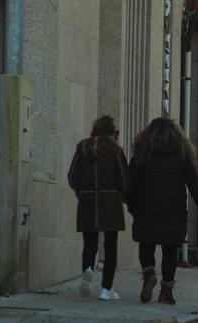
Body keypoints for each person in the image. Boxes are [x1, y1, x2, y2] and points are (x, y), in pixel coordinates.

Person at [126, 117, 198, 305]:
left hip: (145, 208)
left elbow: (129, 183)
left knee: (146, 245)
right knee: (170, 251)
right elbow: (194, 183)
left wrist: (132, 205)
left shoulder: (142, 152)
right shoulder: (182, 153)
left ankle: (149, 272)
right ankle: (166, 292)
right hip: (174, 211)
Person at [66, 115, 130, 301]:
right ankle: (106, 289)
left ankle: (87, 269)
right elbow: (125, 180)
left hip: (87, 201)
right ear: (112, 132)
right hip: (110, 201)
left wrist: (81, 192)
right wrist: (125, 198)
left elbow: (72, 176)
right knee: (110, 246)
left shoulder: (82, 147)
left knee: (89, 243)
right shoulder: (116, 150)